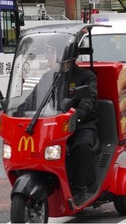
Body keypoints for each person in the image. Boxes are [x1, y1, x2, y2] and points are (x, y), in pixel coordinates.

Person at [18, 35, 100, 203]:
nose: (48, 56)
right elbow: (32, 98)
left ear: (66, 55)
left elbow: (88, 101)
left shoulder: (86, 77)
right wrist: (17, 111)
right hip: (55, 125)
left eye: (51, 52)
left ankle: (81, 188)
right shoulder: (49, 76)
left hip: (80, 126)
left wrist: (77, 116)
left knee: (81, 145)